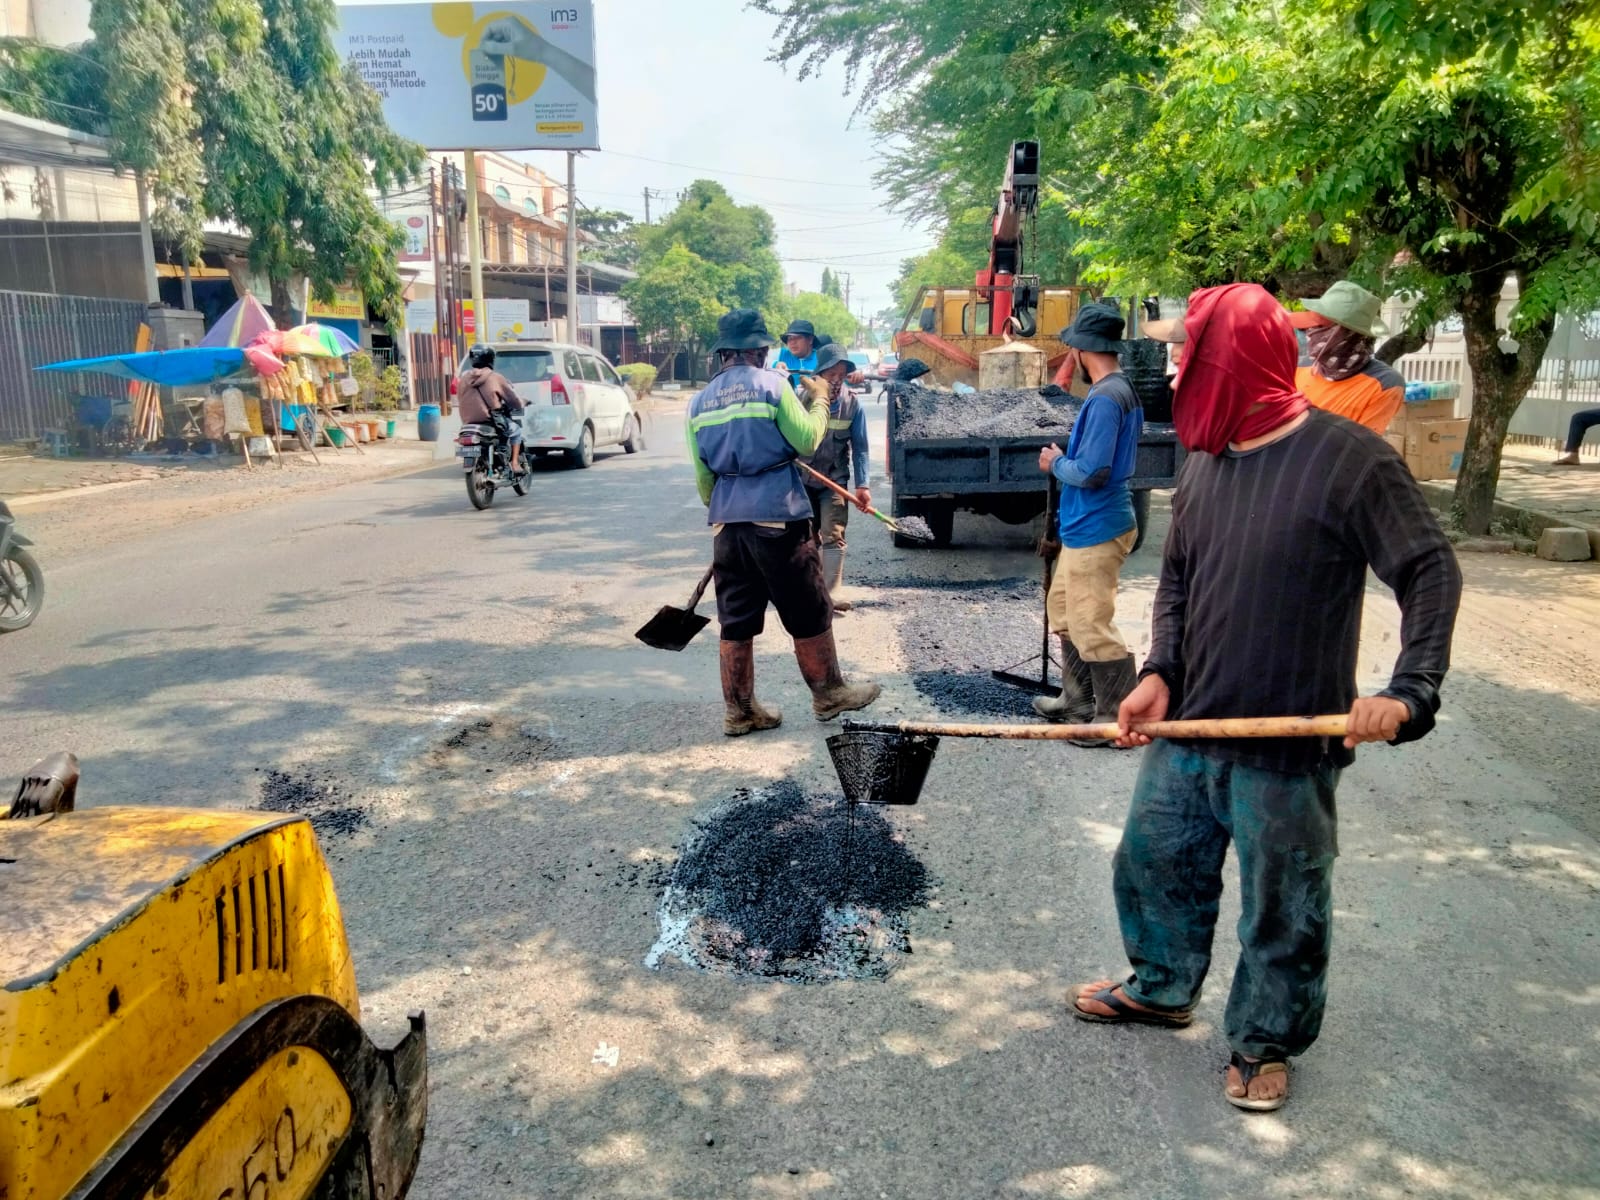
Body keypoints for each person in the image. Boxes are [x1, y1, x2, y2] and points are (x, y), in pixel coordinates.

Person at [1070, 283, 1462, 1112]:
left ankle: (1264, 1037)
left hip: (1288, 744)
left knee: (1285, 906)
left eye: (1190, 357)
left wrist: (1410, 689)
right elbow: (1178, 579)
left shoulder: (1349, 459)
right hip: (1190, 724)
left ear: (1234, 361)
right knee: (1152, 865)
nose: (1177, 374)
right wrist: (1158, 672)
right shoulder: (1208, 462)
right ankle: (1163, 988)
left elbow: (1429, 570)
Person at [687, 309, 880, 736]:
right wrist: (822, 399)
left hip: (727, 524)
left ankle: (740, 711)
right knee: (808, 607)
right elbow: (808, 440)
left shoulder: (698, 402)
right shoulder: (771, 386)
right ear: (757, 350)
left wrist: (730, 509)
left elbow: (704, 479)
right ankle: (829, 693)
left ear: (723, 354)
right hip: (778, 516)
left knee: (735, 619)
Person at [1032, 301, 1145, 741]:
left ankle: (1115, 718)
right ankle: (1077, 700)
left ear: (1080, 349)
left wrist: (1056, 463)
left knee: (1091, 622)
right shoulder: (1116, 391)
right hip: (1087, 527)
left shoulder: (1105, 398)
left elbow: (1094, 472)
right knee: (1063, 610)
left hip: (1100, 525)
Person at [801, 343, 872, 614]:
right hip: (802, 482)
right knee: (806, 539)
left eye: (841, 374)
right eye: (830, 374)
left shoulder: (853, 405)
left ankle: (829, 595)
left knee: (834, 535)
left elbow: (861, 448)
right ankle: (808, 592)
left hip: (834, 481)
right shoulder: (800, 400)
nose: (835, 380)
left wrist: (863, 485)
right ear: (818, 374)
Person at [1289, 280, 1406, 435]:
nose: (1310, 333)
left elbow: (1360, 448)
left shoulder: (1385, 383)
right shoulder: (1298, 368)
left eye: (1320, 327)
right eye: (1311, 326)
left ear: (1348, 335)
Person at [457, 344, 525, 473]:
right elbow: (512, 399)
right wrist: (521, 403)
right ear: (490, 359)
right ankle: (515, 463)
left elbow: (460, 398)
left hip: (468, 422)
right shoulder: (495, 377)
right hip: (491, 421)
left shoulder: (463, 379)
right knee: (515, 431)